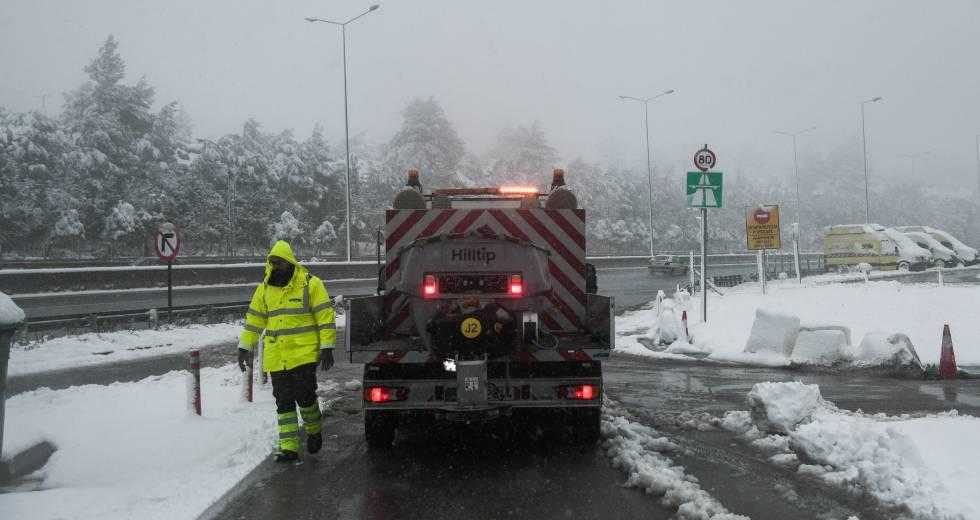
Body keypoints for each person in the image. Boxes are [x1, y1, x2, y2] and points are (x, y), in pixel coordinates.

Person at [238, 240, 336, 463]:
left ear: (290, 262)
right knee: (283, 402)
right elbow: (254, 320)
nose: (275, 267)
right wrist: (245, 347)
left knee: (305, 397)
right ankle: (289, 447)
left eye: (279, 262)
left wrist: (327, 347)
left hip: (303, 354)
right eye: (272, 263)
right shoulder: (264, 289)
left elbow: (325, 317)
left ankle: (313, 429)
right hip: (277, 358)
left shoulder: (311, 285)